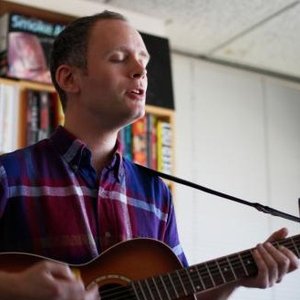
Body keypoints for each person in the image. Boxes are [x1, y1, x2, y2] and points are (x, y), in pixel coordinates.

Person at [0, 10, 298, 300]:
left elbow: (182, 295)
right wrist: (14, 288)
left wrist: (238, 278)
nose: (140, 71)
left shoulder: (156, 194)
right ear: (69, 79)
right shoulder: (8, 175)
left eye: (144, 62)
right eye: (119, 58)